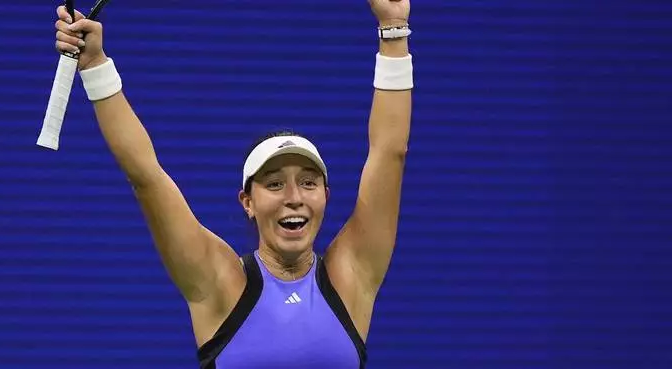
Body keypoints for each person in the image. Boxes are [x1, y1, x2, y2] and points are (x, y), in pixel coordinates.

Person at [54, 0, 413, 367]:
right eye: (274, 185)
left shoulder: (351, 274)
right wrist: (96, 66)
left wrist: (394, 27)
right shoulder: (218, 282)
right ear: (247, 201)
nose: (294, 198)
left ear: (326, 195)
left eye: (308, 183)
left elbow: (389, 153)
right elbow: (145, 175)